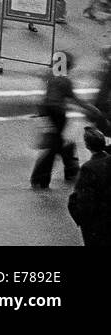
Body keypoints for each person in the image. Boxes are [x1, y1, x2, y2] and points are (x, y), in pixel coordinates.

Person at [32, 53, 102, 189]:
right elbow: (75, 100)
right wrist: (92, 109)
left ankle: (70, 171)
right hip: (58, 115)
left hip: (47, 113)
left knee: (61, 142)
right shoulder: (65, 82)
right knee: (56, 146)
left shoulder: (50, 77)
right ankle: (41, 179)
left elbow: (48, 98)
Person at [68, 127, 111, 246]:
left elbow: (85, 200)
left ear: (87, 145)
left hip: (97, 221)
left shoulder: (88, 168)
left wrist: (77, 214)